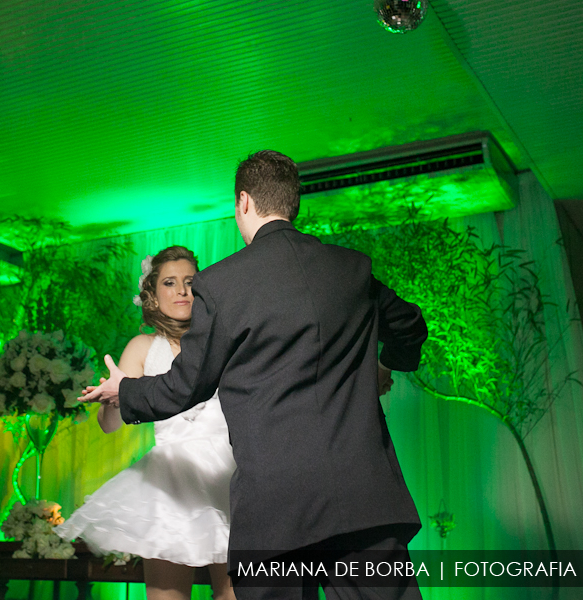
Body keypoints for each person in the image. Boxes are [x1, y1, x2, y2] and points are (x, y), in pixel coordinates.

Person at [81, 151, 428, 600]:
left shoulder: (223, 284)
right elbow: (409, 327)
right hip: (362, 499)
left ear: (244, 202)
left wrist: (124, 390)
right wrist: (383, 367)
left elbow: (186, 384)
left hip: (274, 509)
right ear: (293, 201)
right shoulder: (352, 269)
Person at [56, 245, 237, 600]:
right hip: (170, 485)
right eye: (169, 282)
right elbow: (109, 425)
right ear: (152, 294)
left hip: (231, 480)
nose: (182, 290)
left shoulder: (224, 342)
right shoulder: (142, 347)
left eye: (190, 281)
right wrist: (112, 397)